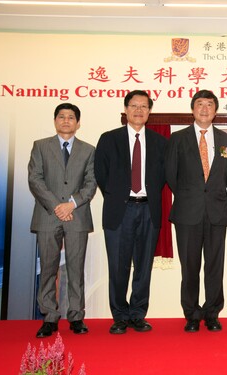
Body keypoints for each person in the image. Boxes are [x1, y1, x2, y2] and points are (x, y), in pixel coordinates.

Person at [94, 90, 167, 334]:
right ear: (125, 110)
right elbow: (101, 175)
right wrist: (119, 197)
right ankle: (119, 316)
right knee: (118, 266)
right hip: (120, 211)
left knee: (143, 266)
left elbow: (163, 177)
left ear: (149, 112)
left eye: (143, 106)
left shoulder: (159, 142)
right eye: (134, 106)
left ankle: (137, 314)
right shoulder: (108, 138)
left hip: (149, 210)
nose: (138, 110)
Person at [166, 89, 227, 333]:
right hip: (187, 212)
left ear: (215, 110)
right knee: (190, 267)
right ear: (192, 109)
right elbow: (171, 175)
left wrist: (209, 194)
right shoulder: (178, 138)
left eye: (209, 105)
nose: (205, 109)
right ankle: (192, 314)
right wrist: (191, 195)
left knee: (215, 266)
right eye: (200, 104)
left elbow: (225, 175)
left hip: (216, 211)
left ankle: (212, 313)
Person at [28, 103, 97, 338]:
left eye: (71, 117)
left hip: (76, 215)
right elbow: (35, 179)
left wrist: (71, 204)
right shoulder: (40, 146)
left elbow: (90, 183)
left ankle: (76, 316)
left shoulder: (89, 150)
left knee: (75, 269)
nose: (66, 121)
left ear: (78, 123)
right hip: (48, 215)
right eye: (61, 117)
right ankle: (49, 317)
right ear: (55, 121)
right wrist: (57, 206)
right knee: (47, 268)